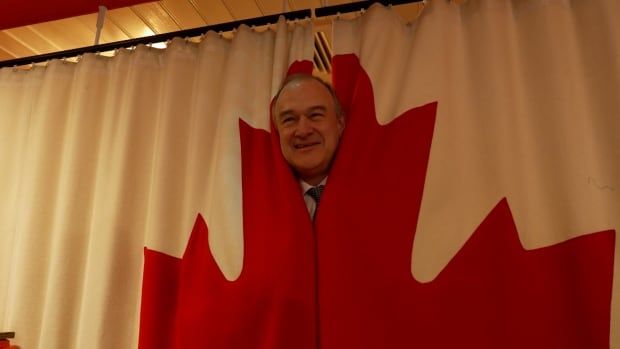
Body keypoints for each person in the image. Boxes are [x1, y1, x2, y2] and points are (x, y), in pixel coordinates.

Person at [271, 74, 345, 218]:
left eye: (315, 115)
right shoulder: (257, 205)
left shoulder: (377, 192)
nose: (303, 131)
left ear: (340, 124)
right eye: (289, 119)